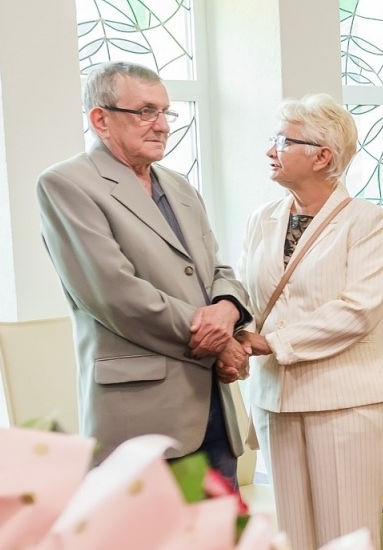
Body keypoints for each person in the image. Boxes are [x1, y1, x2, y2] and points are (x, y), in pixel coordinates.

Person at [38, 61, 250, 478]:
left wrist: (227, 309)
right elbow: (115, 295)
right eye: (145, 112)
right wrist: (218, 340)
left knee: (223, 542)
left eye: (166, 112)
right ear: (101, 119)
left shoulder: (180, 185)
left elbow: (217, 267)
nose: (162, 125)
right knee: (150, 544)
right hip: (140, 418)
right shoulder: (67, 185)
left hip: (214, 414)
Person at [230, 94, 383, 550]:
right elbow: (245, 292)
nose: (269, 151)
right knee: (292, 544)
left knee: (346, 544)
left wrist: (273, 342)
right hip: (274, 398)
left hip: (343, 401)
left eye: (282, 141)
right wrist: (233, 333)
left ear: (323, 156)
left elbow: (359, 309)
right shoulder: (261, 220)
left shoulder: (366, 222)